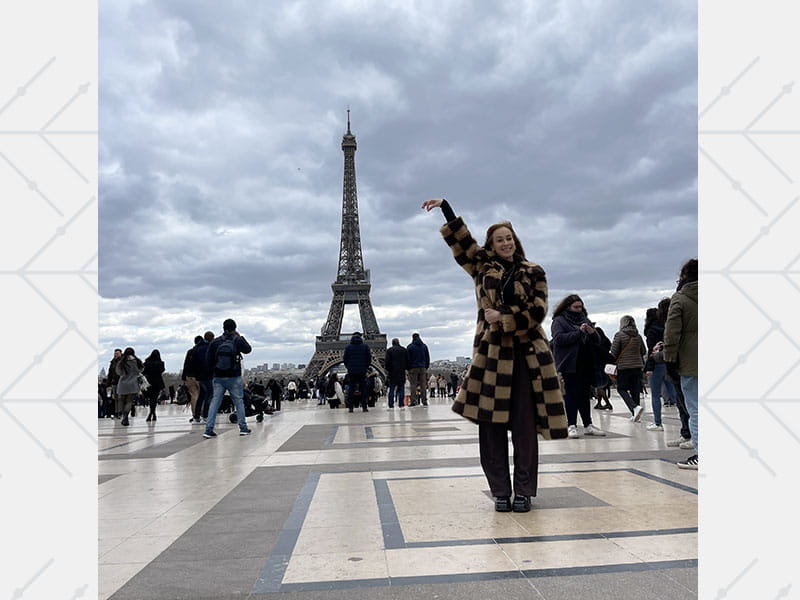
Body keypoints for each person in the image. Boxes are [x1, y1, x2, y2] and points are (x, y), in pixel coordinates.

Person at [423, 197, 568, 513]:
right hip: (491, 357)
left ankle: (524, 491)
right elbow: (462, 243)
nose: (506, 243)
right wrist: (446, 207)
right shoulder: (480, 266)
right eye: (500, 239)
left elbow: (538, 311)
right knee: (490, 429)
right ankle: (500, 490)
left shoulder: (534, 271)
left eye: (509, 238)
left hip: (526, 358)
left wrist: (501, 318)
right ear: (491, 244)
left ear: (516, 242)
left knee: (525, 429)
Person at [550, 295, 607, 438]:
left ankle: (588, 424)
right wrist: (578, 332)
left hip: (586, 362)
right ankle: (571, 425)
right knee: (571, 394)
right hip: (570, 363)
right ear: (568, 307)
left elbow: (597, 341)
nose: (579, 310)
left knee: (584, 395)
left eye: (580, 307)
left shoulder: (584, 319)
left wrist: (592, 332)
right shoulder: (559, 321)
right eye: (576, 307)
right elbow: (558, 339)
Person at [663, 258, 698, 470]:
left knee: (695, 408)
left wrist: (669, 359)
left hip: (691, 361)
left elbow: (672, 333)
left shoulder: (681, 298)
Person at [203, 318, 253, 438]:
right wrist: (240, 337)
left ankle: (209, 429)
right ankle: (243, 428)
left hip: (218, 376)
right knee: (238, 402)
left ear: (223, 328)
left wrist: (214, 371)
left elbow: (208, 360)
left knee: (215, 402)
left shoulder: (215, 342)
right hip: (233, 376)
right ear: (234, 328)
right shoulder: (236, 340)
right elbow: (248, 349)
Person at [643, 302, 677, 431]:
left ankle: (657, 423)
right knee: (672, 392)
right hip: (667, 362)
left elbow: (652, 351)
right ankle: (684, 423)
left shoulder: (651, 331)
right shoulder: (665, 327)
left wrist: (649, 367)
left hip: (656, 364)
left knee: (655, 395)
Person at [610, 316, 648, 422]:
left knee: (621, 389)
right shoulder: (638, 336)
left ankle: (634, 407)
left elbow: (614, 352)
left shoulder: (619, 335)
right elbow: (643, 351)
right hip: (637, 366)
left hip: (624, 367)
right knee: (635, 390)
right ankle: (635, 414)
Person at [342, 331, 371, 412]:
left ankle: (351, 407)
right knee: (363, 388)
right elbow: (369, 359)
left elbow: (345, 359)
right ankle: (364, 407)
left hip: (352, 371)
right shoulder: (365, 347)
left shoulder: (348, 347)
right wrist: (365, 367)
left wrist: (349, 367)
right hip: (362, 370)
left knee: (351, 389)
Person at [114, 347, 143, 426]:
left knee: (121, 400)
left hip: (123, 383)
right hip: (133, 383)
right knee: (129, 401)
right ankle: (126, 416)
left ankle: (123, 415)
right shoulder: (137, 361)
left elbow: (118, 372)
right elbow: (141, 370)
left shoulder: (122, 361)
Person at [192, 331, 215, 423]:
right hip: (208, 375)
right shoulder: (208, 348)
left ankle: (197, 416)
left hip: (199, 376)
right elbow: (208, 362)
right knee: (210, 395)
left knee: (202, 395)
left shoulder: (197, 348)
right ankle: (205, 415)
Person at [406, 333, 430, 406]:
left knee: (413, 385)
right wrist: (426, 367)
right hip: (422, 367)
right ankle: (424, 401)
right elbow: (427, 358)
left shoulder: (410, 347)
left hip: (413, 368)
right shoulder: (424, 346)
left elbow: (408, 359)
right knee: (423, 385)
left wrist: (408, 368)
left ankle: (413, 401)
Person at [181, 336, 203, 417]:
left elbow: (185, 364)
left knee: (193, 395)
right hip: (199, 376)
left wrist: (184, 377)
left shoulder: (190, 351)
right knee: (202, 395)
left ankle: (194, 414)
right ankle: (202, 412)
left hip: (189, 375)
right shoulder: (201, 351)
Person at [142, 349, 166, 422]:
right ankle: (153, 413)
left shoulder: (147, 363)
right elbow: (162, 370)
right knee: (154, 399)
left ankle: (151, 413)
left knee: (150, 399)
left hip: (149, 382)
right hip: (157, 382)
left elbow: (143, 372)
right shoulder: (161, 363)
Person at [385, 338, 408, 409]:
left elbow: (387, 362)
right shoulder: (404, 350)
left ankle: (391, 405)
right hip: (401, 372)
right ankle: (401, 404)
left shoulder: (389, 350)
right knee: (401, 388)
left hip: (392, 372)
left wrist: (388, 370)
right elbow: (407, 361)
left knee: (391, 389)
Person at [108, 348, 123, 418]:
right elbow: (110, 373)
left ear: (120, 353)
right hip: (114, 382)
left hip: (121, 382)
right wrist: (108, 383)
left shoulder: (123, 361)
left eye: (117, 353)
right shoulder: (112, 362)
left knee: (120, 398)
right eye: (115, 353)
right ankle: (116, 412)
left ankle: (120, 412)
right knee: (116, 398)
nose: (115, 355)